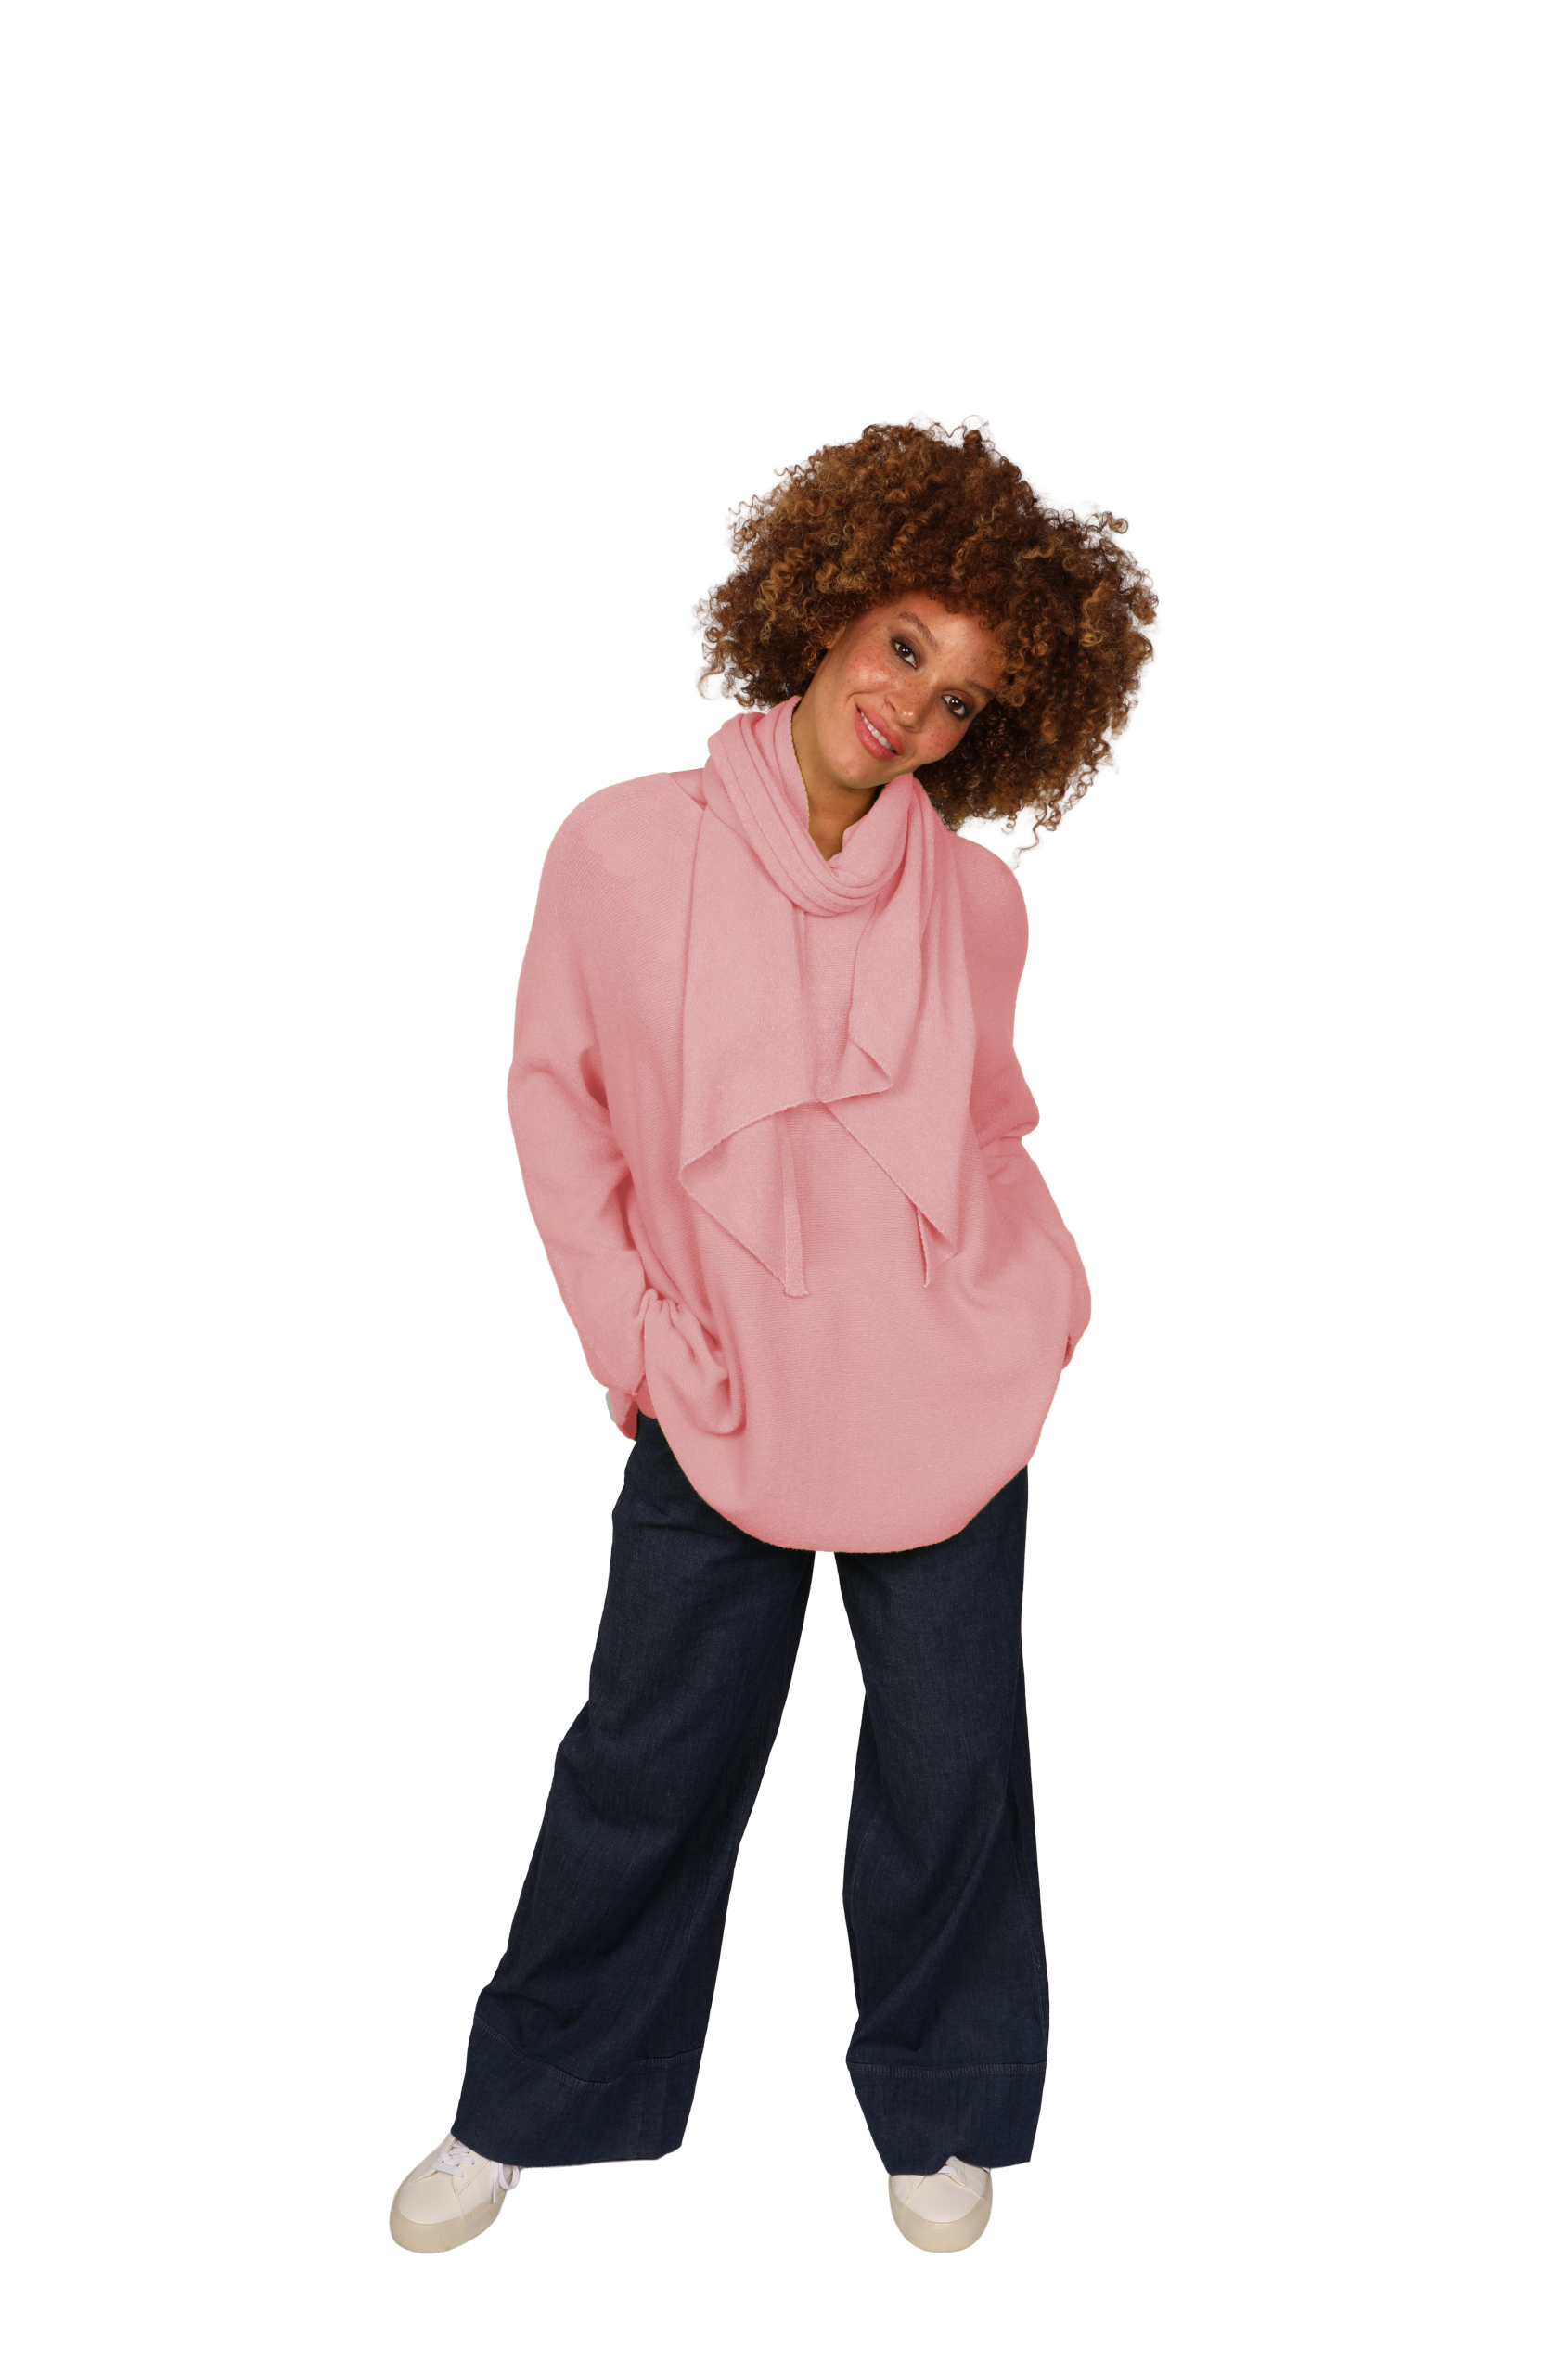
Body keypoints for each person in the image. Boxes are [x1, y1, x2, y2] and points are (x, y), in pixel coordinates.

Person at [389, 421, 1155, 2255]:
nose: (913, 708)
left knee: (952, 1763)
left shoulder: (978, 901)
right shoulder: (620, 847)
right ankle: (530, 2099)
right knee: (646, 1757)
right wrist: (636, 1344)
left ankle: (943, 2105)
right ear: (825, 603)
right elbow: (556, 1106)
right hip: (718, 1382)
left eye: (963, 698)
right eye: (903, 643)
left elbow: (983, 1131)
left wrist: (1042, 1296)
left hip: (939, 1382)